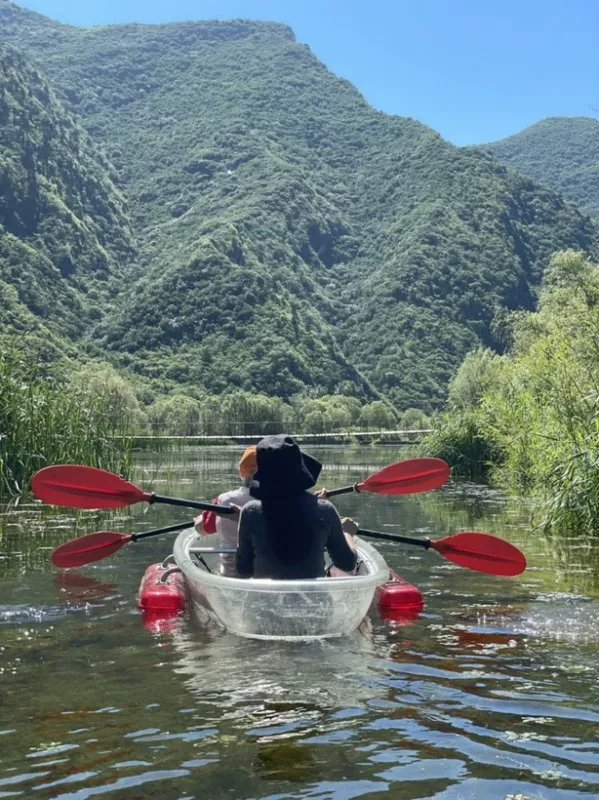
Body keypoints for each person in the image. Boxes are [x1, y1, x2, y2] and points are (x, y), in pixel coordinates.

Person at [235, 434, 358, 579]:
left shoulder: (250, 512)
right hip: (313, 600)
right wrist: (347, 533)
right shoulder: (325, 510)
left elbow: (244, 570)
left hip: (266, 601)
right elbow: (347, 563)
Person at [194, 446, 257, 576]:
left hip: (230, 573)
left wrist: (198, 522)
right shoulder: (274, 502)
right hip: (262, 572)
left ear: (241, 473)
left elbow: (203, 530)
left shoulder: (224, 500)